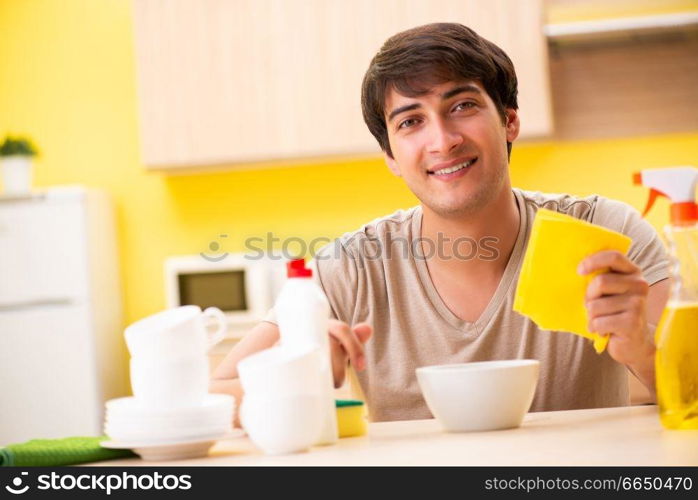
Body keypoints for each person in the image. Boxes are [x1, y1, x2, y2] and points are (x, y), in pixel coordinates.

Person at [210, 22, 670, 423]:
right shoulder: (352, 267)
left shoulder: (604, 234)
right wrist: (293, 373)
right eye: (411, 121)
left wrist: (641, 347)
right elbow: (212, 397)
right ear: (391, 156)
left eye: (462, 106)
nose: (443, 140)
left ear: (509, 121)